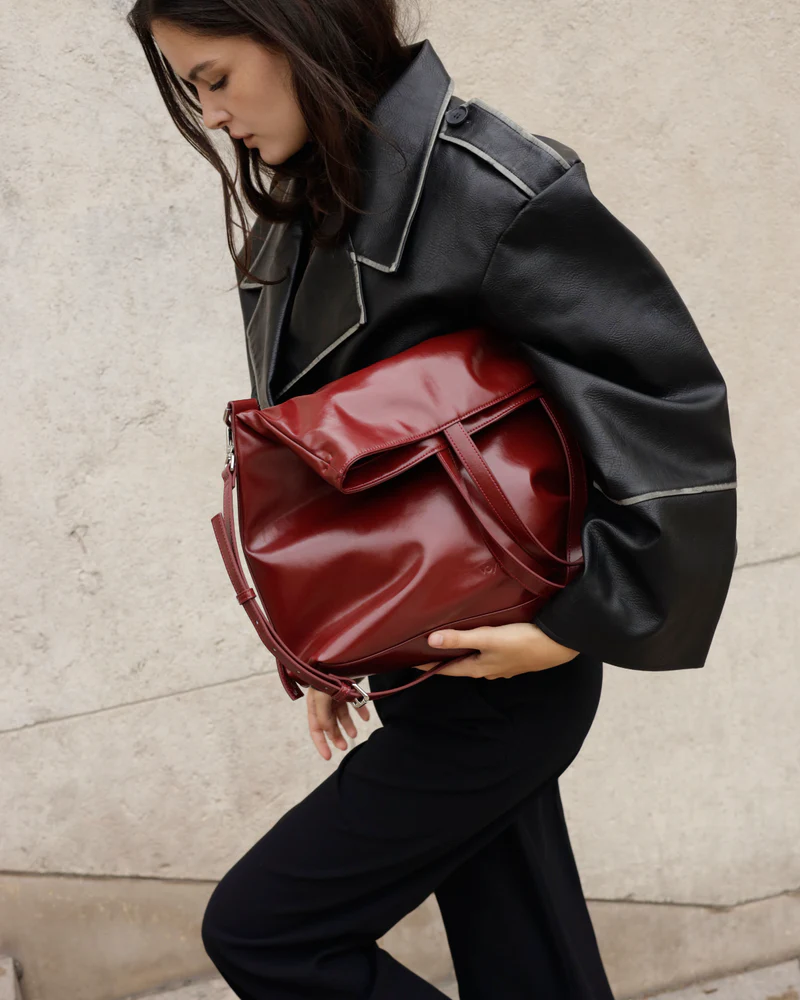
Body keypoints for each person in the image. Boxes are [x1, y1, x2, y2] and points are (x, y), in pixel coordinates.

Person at [127, 2, 738, 997]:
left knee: (265, 931)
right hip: (424, 668)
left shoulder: (485, 186)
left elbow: (659, 396)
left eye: (215, 78)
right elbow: (323, 454)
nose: (212, 116)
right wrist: (337, 637)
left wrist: (578, 623)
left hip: (505, 681)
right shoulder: (303, 212)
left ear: (296, 29)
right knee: (528, 964)